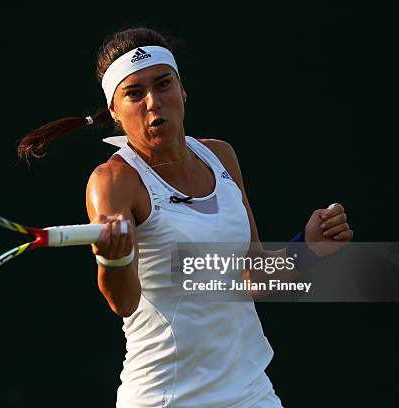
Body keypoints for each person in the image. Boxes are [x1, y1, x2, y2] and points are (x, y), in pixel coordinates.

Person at [18, 27, 353, 408]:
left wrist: (306, 247)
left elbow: (253, 277)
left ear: (183, 90)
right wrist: (114, 257)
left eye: (163, 85)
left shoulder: (220, 156)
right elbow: (124, 302)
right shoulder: (112, 182)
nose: (153, 102)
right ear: (114, 110)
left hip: (250, 392)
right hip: (166, 398)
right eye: (134, 93)